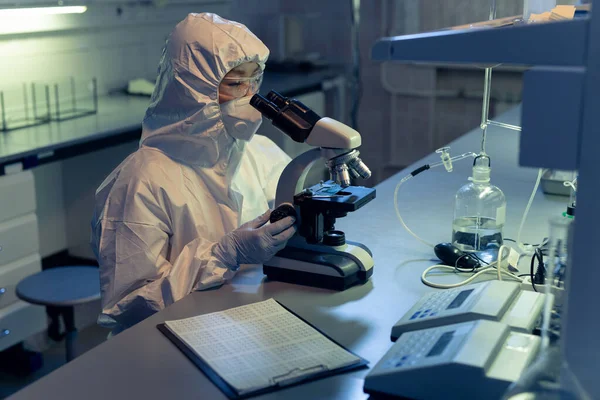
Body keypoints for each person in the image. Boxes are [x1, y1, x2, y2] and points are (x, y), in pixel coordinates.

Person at [91, 13, 297, 335]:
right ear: (194, 88)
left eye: (254, 81)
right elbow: (129, 306)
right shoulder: (142, 180)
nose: (249, 95)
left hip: (246, 325)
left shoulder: (260, 151)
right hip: (168, 344)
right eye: (234, 83)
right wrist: (225, 255)